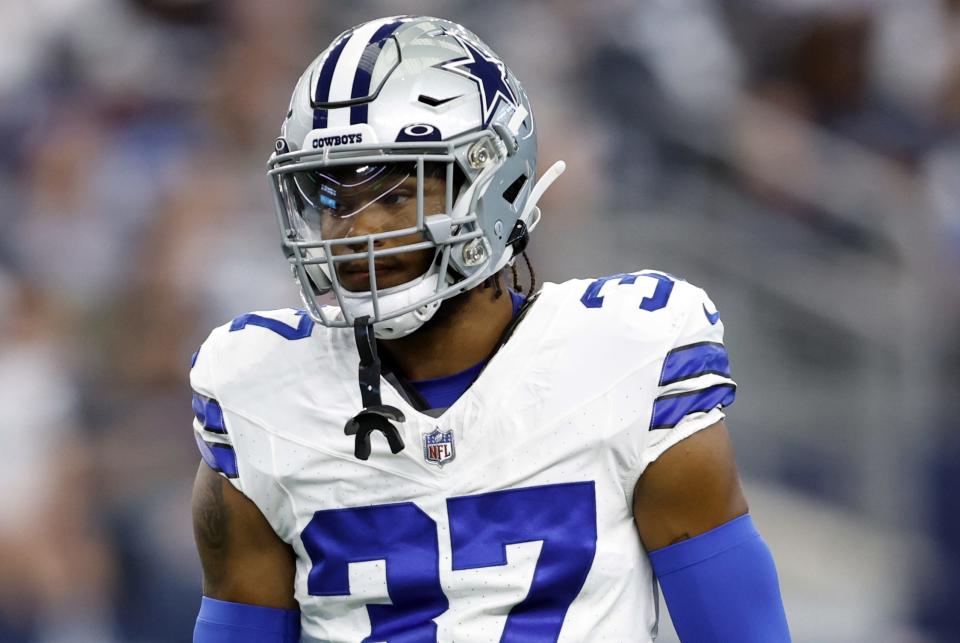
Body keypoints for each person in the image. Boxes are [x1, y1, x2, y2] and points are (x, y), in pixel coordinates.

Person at [189, 15, 791, 643]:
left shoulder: (628, 355)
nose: (356, 231)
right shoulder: (259, 392)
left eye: (396, 192)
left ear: (490, 181)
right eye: (332, 199)